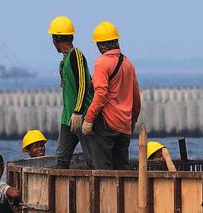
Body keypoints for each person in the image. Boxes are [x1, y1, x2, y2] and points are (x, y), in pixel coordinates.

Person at [81, 21, 141, 170]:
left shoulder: (102, 63)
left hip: (106, 125)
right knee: (122, 170)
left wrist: (89, 119)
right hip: (124, 125)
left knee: (103, 170)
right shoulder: (128, 64)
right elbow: (136, 99)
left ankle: (106, 194)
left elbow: (101, 94)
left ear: (101, 45)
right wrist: (131, 122)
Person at [47, 16, 94, 169]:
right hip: (68, 118)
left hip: (81, 116)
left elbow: (83, 84)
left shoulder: (76, 55)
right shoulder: (66, 59)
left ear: (56, 39)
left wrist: (78, 112)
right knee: (61, 159)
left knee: (91, 158)